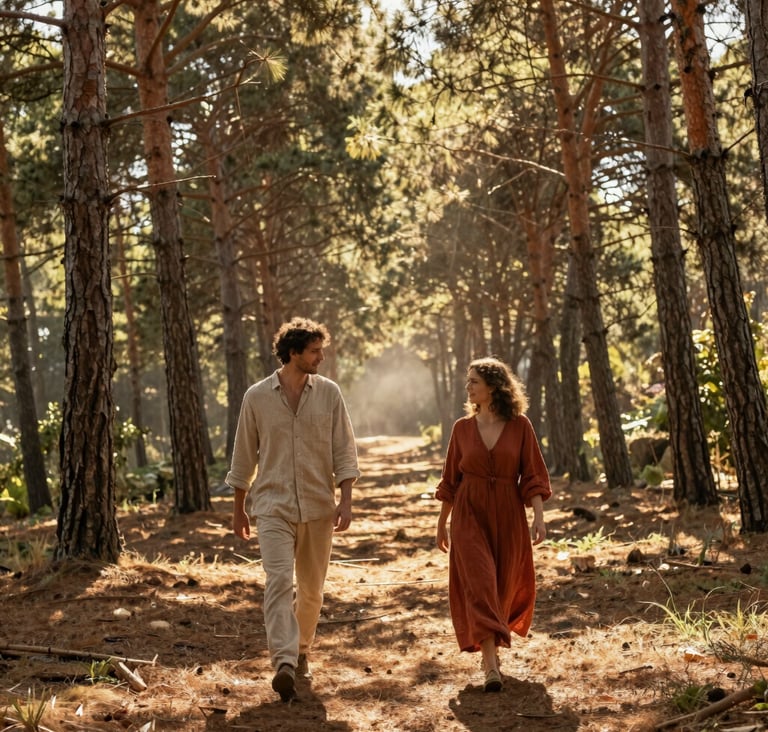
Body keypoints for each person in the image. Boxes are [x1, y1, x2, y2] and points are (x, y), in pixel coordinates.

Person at [226, 317, 360, 702]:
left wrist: (345, 499)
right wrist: (239, 510)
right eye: (315, 351)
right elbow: (242, 458)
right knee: (279, 581)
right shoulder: (256, 397)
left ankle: (300, 651)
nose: (321, 357)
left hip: (319, 506)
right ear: (293, 353)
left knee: (313, 591)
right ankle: (284, 662)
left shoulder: (330, 394)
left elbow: (344, 451)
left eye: (321, 350)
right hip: (272, 506)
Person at [435, 357, 551, 692]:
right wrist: (442, 522)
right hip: (469, 515)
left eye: (474, 381)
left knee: (501, 587)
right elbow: (450, 480)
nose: (468, 387)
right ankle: (490, 665)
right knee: (481, 584)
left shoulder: (520, 426)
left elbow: (532, 475)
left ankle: (492, 653)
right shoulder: (461, 429)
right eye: (468, 381)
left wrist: (539, 517)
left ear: (493, 386)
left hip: (508, 515)